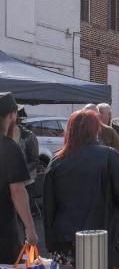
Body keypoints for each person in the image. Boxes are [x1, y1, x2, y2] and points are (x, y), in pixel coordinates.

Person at [43, 109, 119, 267]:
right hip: (103, 238)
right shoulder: (109, 156)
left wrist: (51, 242)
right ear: (95, 130)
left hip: (67, 241)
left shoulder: (57, 161)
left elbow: (49, 206)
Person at [0, 92, 38, 264]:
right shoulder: (9, 148)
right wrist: (30, 229)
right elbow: (17, 191)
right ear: (12, 114)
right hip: (3, 232)